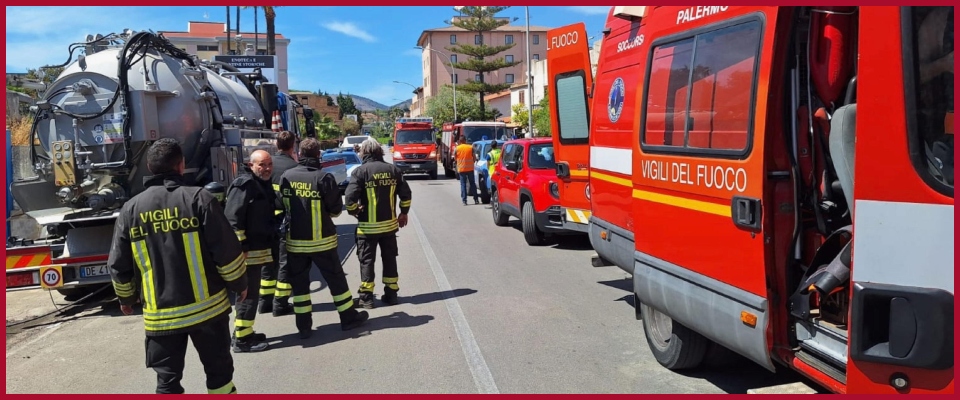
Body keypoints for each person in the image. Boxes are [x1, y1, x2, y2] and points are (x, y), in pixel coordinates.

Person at [108, 138, 247, 394]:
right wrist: (239, 284)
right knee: (219, 377)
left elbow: (118, 263)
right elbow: (226, 250)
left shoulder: (130, 210)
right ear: (181, 165)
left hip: (161, 318)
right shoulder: (199, 199)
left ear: (150, 167)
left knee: (167, 382)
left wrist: (125, 299)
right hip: (208, 312)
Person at [279, 138, 369, 339]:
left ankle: (303, 327)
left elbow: (282, 204)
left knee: (300, 287)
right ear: (318, 154)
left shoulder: (286, 176)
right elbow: (336, 211)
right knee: (336, 282)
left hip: (294, 243)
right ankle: (348, 318)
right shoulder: (324, 178)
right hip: (322, 242)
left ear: (299, 154)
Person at [344, 139, 413, 309]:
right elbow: (406, 194)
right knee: (389, 259)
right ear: (379, 152)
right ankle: (391, 294)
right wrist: (403, 213)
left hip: (367, 229)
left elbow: (349, 199)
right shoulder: (393, 170)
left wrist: (355, 211)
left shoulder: (360, 172)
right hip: (389, 227)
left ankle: (366, 298)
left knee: (367, 261)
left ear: (364, 153)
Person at [222, 150, 277, 353]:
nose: (267, 168)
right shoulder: (244, 185)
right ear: (251, 164)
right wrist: (241, 247)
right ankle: (242, 341)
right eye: (262, 165)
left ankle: (244, 332)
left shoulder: (261, 183)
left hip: (259, 250)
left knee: (252, 293)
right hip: (247, 253)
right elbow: (233, 220)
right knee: (248, 295)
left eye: (269, 164)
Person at [265, 131, 299, 316]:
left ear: (276, 144)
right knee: (285, 263)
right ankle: (280, 303)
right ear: (292, 146)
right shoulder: (293, 167)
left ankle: (264, 302)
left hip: (265, 221)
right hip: (284, 222)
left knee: (268, 262)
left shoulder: (267, 165)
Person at [454, 135, 479, 205]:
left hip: (461, 169)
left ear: (460, 141)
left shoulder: (457, 148)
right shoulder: (470, 147)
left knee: (463, 184)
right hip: (470, 168)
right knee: (472, 184)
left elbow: (455, 158)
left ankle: (464, 200)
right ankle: (476, 199)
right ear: (465, 140)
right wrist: (473, 162)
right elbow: (474, 157)